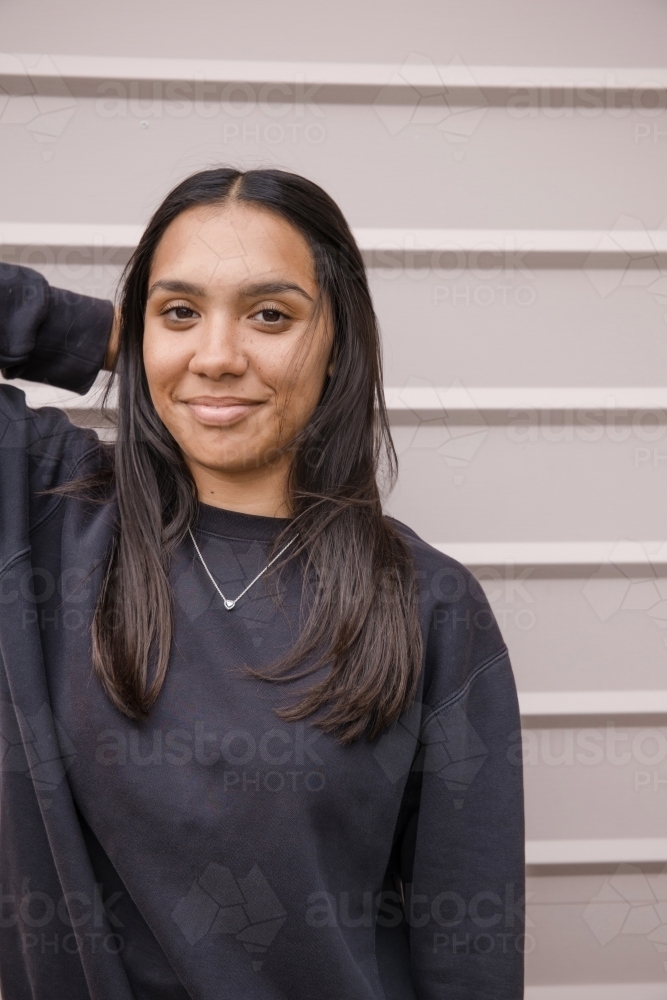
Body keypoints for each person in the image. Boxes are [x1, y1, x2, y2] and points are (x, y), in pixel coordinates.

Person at [0, 167, 524, 999]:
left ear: (337, 342)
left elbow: (467, 956)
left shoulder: (431, 604)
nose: (216, 356)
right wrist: (108, 339)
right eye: (180, 312)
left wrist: (160, 330)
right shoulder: (38, 512)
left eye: (269, 315)